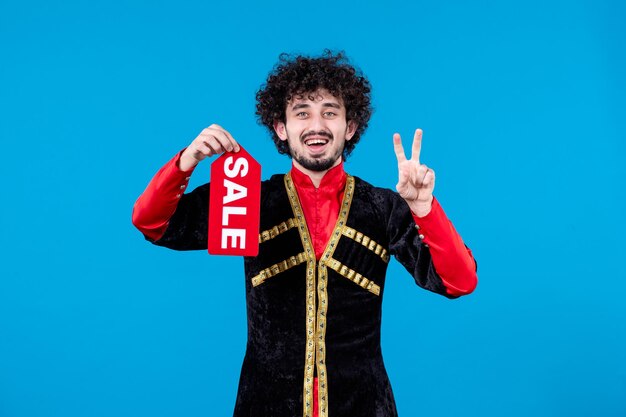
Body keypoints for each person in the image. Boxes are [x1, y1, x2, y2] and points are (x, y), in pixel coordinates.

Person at [132, 51, 477, 417]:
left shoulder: (384, 207)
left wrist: (424, 207)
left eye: (330, 112)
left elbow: (459, 281)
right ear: (281, 127)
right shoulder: (246, 197)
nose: (317, 125)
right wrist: (185, 162)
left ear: (350, 127)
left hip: (364, 406)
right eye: (302, 113)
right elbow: (153, 223)